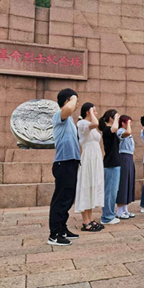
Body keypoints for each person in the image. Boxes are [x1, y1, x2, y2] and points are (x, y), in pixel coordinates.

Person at [48, 88, 81, 246]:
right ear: (68, 101)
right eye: (75, 100)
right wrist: (73, 98)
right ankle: (54, 234)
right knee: (61, 199)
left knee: (67, 199)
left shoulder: (69, 121)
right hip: (63, 162)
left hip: (71, 162)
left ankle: (62, 228)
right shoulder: (59, 115)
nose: (77, 104)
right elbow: (67, 108)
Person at [75, 103, 104, 232]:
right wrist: (91, 112)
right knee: (86, 186)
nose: (96, 113)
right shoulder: (82, 124)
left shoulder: (89, 124)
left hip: (95, 158)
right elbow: (95, 124)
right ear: (88, 111)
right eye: (94, 111)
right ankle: (85, 221)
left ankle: (90, 219)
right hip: (88, 158)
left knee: (92, 186)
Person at [99, 110, 121, 226]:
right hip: (111, 164)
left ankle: (110, 214)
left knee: (113, 191)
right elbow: (114, 128)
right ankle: (107, 216)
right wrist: (116, 118)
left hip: (115, 163)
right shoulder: (107, 130)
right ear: (111, 119)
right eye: (116, 117)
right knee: (110, 191)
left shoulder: (111, 130)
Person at [116, 115, 136, 219]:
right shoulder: (120, 131)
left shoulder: (126, 131)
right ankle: (119, 210)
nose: (130, 124)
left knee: (128, 183)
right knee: (123, 183)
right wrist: (127, 123)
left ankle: (125, 209)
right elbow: (127, 133)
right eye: (129, 122)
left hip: (129, 157)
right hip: (123, 157)